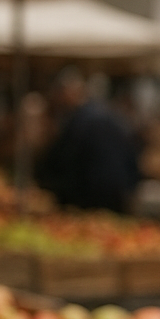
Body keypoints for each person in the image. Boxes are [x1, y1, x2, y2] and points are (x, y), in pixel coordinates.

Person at [36, 68, 139, 212]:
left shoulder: (80, 121)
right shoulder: (107, 114)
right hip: (117, 191)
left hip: (92, 196)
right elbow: (131, 153)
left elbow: (67, 162)